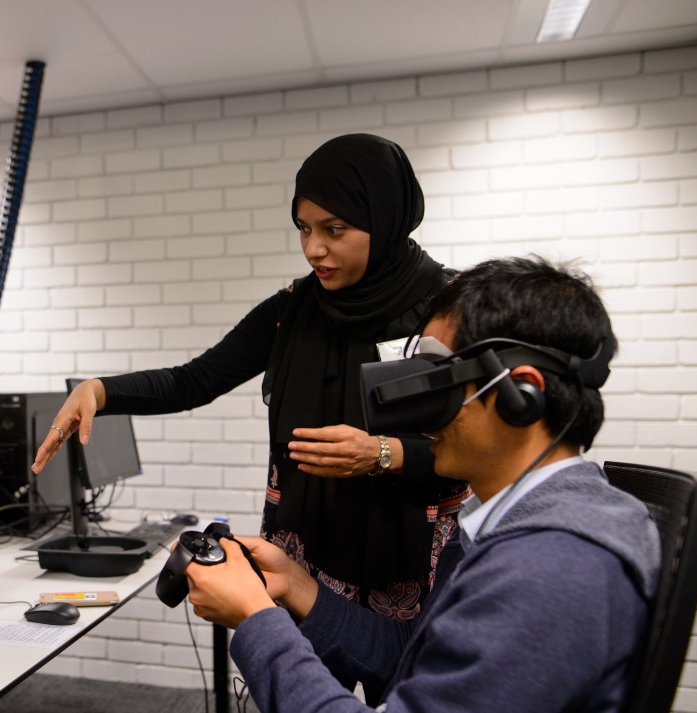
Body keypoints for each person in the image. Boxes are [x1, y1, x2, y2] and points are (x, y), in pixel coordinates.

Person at [105, 255, 661, 713]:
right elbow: (410, 662)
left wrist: (257, 621)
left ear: (520, 393)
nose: (412, 409)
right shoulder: (525, 518)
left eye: (437, 377)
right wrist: (299, 589)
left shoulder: (551, 565)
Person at [32, 133, 464, 627]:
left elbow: (485, 447)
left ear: (386, 219)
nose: (314, 248)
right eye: (303, 228)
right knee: (303, 697)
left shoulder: (450, 309)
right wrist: (101, 390)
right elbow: (195, 380)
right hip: (307, 554)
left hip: (413, 559)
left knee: (405, 699)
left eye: (335, 228)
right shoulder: (294, 309)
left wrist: (382, 453)